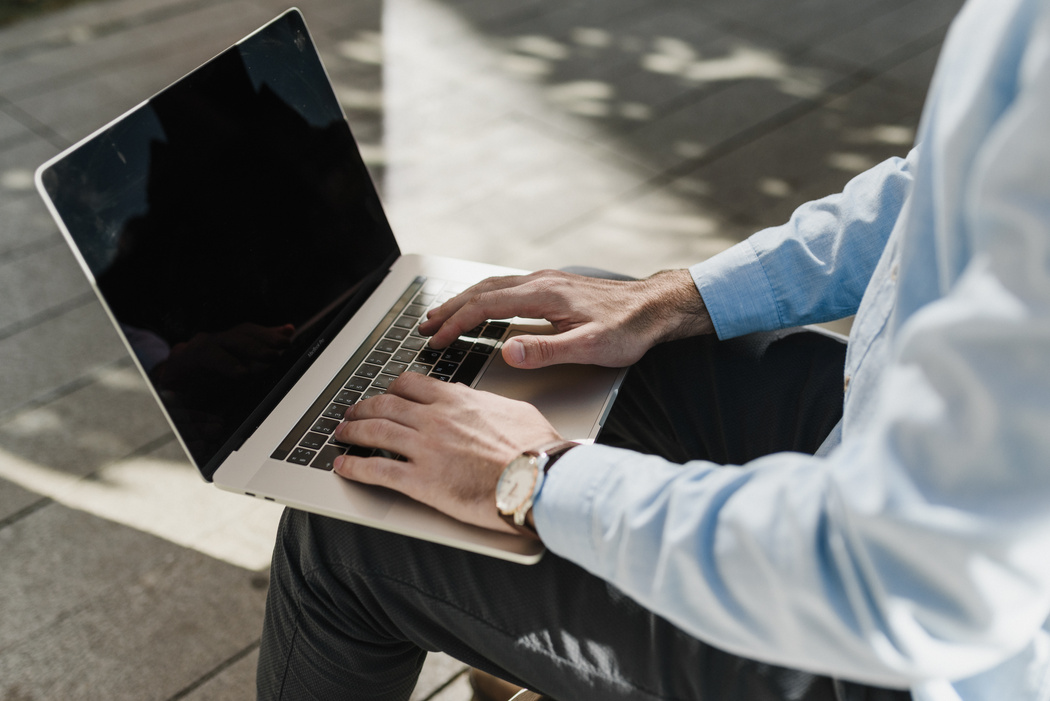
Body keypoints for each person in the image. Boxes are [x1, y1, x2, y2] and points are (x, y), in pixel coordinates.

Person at [256, 0, 1050, 698]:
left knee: (345, 536)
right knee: (578, 348)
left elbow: (912, 575)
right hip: (885, 437)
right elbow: (934, 186)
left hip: (907, 656)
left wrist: (535, 479)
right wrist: (677, 298)